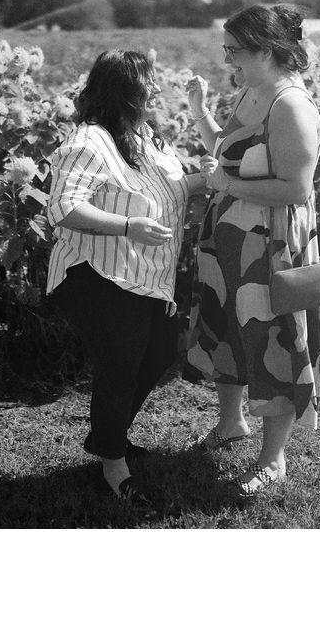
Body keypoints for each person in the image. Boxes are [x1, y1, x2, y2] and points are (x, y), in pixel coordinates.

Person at [46, 49, 207, 508]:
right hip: (100, 275)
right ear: (127, 90)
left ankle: (107, 437)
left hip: (145, 275)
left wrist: (203, 180)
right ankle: (113, 468)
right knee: (119, 368)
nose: (156, 90)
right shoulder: (90, 140)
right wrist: (127, 226)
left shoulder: (145, 137)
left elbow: (169, 190)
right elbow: (63, 207)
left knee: (159, 352)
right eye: (148, 83)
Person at [185, 3, 320, 498]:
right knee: (227, 326)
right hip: (231, 235)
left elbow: (296, 189)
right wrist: (200, 111)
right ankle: (231, 423)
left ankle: (273, 460)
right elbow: (229, 153)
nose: (228, 61)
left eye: (235, 51)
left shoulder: (290, 106)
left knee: (271, 339)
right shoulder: (251, 92)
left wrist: (226, 186)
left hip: (270, 243)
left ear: (266, 50)